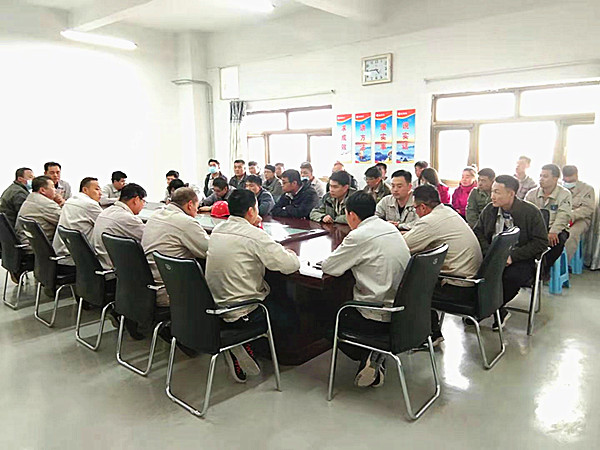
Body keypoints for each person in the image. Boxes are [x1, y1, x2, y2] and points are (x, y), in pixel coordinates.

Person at [206, 189, 300, 383]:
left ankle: (242, 343)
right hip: (244, 311)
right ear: (251, 211)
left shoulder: (218, 230)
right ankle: (249, 343)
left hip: (214, 306)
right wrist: (289, 253)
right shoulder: (253, 235)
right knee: (290, 313)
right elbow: (289, 265)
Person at [322, 192, 411, 388]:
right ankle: (374, 355)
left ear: (351, 215)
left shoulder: (359, 235)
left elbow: (329, 267)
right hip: (403, 314)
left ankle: (369, 351)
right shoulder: (389, 227)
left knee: (325, 321)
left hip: (375, 316)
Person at [403, 185, 483, 346]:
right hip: (474, 282)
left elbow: (402, 246)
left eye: (415, 208)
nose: (415, 212)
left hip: (458, 287)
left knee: (408, 288)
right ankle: (432, 331)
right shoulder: (447, 212)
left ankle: (428, 335)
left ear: (423, 207)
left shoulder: (430, 222)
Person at [473, 175, 548, 328]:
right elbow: (478, 232)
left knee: (510, 277)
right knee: (475, 272)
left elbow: (540, 242)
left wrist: (512, 257)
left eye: (497, 192)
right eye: (492, 191)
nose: (492, 196)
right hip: (492, 255)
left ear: (511, 194)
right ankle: (495, 311)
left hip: (520, 258)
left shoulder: (530, 212)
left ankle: (487, 309)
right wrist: (490, 252)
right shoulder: (490, 209)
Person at [142, 187, 209, 307]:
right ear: (190, 205)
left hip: (150, 286)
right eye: (197, 206)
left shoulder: (156, 215)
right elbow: (209, 251)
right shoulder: (185, 222)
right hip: (171, 291)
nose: (197, 211)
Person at [525, 164, 572, 271]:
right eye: (540, 176)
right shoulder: (531, 194)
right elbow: (526, 214)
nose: (541, 179)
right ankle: (533, 267)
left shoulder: (564, 194)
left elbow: (563, 215)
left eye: (545, 176)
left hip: (555, 228)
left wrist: (553, 231)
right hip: (536, 229)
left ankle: (544, 269)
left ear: (555, 179)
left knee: (557, 241)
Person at [93, 183, 147, 269]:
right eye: (143, 201)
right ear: (136, 200)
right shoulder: (127, 218)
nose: (143, 205)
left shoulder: (106, 212)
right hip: (116, 267)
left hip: (102, 262)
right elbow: (149, 239)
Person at [52, 177, 103, 263]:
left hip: (62, 253)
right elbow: (107, 224)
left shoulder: (71, 200)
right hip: (76, 258)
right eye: (97, 189)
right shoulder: (90, 204)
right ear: (85, 190)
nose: (100, 193)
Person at [15, 176, 62, 247]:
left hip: (26, 242)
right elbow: (64, 221)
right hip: (38, 247)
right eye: (53, 187)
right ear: (42, 190)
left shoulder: (31, 198)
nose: (55, 190)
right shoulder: (46, 203)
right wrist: (64, 204)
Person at [562, 165, 595, 261]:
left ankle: (565, 263)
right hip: (560, 217)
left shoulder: (587, 189)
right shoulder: (558, 187)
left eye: (571, 180)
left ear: (576, 176)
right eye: (566, 180)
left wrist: (571, 215)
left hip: (580, 220)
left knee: (571, 235)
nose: (568, 183)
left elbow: (587, 209)